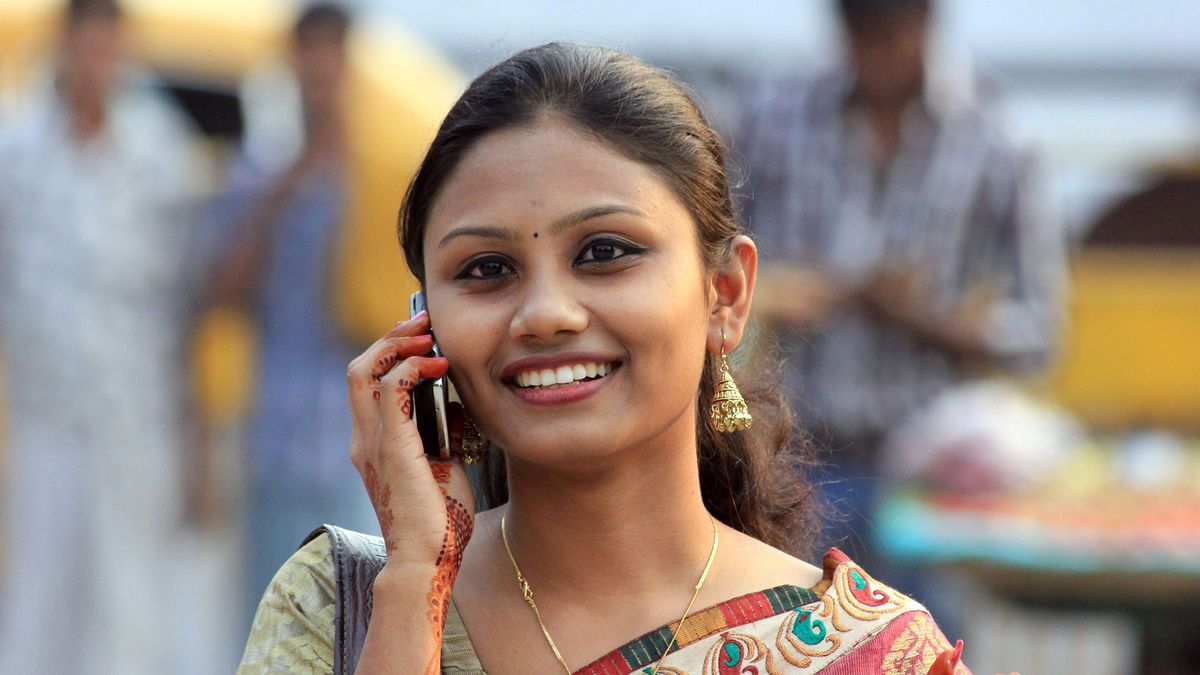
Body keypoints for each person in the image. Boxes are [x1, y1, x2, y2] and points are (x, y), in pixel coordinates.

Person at [237, 43, 972, 674]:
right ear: (423, 329)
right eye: (486, 269)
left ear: (726, 294)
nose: (546, 313)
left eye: (605, 252)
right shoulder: (338, 606)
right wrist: (413, 589)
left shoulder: (870, 653)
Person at [738, 0, 1066, 561]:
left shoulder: (996, 136)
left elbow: (1036, 334)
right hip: (794, 461)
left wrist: (916, 315)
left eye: (892, 29)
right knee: (798, 641)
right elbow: (715, 267)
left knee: (926, 645)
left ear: (928, 20)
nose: (876, 51)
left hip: (934, 471)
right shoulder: (773, 120)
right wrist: (775, 290)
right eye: (860, 28)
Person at [0, 0, 199, 673]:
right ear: (64, 49)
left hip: (132, 412)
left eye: (106, 49)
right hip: (45, 409)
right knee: (40, 584)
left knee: (129, 593)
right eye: (83, 48)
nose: (94, 64)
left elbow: (184, 297)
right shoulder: (19, 151)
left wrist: (193, 424)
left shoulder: (159, 149)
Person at [204, 2, 379, 617]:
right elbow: (222, 292)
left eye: (333, 60)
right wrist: (285, 193)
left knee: (354, 614)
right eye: (311, 60)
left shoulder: (380, 176)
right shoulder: (257, 175)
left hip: (357, 440)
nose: (322, 76)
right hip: (275, 435)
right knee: (270, 611)